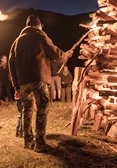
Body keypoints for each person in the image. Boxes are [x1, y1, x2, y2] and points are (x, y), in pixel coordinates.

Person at [9, 15, 72, 153]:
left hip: (23, 82)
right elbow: (55, 52)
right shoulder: (40, 35)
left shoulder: (17, 41)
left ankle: (28, 141)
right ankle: (40, 143)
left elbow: (11, 64)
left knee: (27, 109)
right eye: (41, 26)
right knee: (42, 109)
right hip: (39, 79)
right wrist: (66, 55)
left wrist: (16, 86)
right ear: (38, 26)